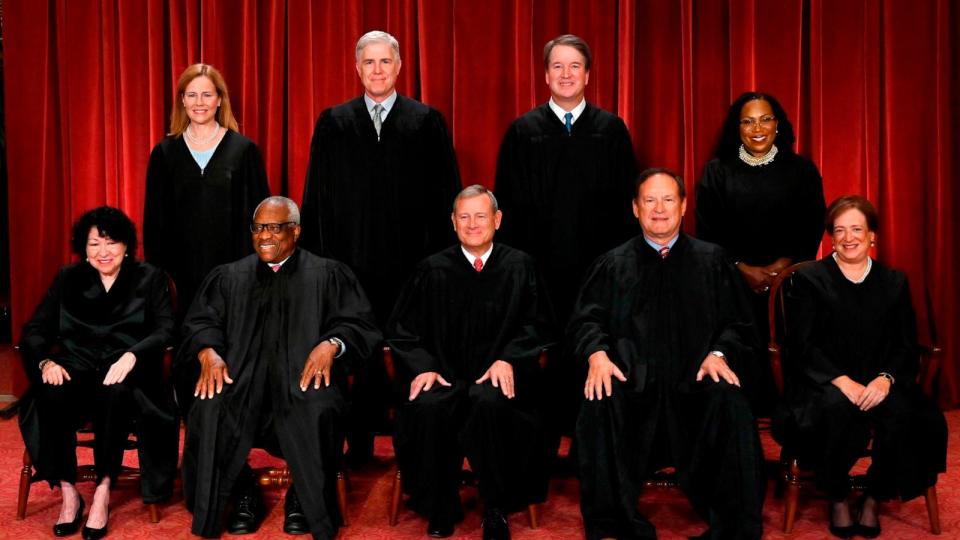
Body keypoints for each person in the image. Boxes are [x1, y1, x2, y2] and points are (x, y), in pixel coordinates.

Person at [572, 168, 765, 540]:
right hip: (632, 385)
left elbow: (739, 325)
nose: (659, 209)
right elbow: (585, 321)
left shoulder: (713, 261)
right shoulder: (613, 264)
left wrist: (720, 354)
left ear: (683, 205)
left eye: (668, 199)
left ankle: (733, 526)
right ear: (635, 208)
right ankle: (612, 522)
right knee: (599, 399)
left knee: (731, 402)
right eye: (649, 200)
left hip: (695, 384)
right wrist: (597, 354)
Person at [300, 30, 462, 466]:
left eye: (384, 62)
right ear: (357, 68)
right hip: (349, 264)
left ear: (398, 67)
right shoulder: (334, 121)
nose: (376, 70)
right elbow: (316, 197)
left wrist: (441, 264)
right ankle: (359, 445)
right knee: (356, 351)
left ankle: (413, 451)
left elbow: (447, 195)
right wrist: (320, 264)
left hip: (412, 264)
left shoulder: (425, 121)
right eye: (368, 63)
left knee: (411, 352)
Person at [178, 196, 381, 539]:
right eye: (258, 228)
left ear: (296, 231)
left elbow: (360, 325)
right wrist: (208, 351)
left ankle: (304, 497)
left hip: (302, 385)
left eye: (274, 228)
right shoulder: (230, 277)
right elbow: (199, 322)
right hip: (242, 385)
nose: (264, 236)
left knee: (320, 407)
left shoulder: (327, 274)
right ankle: (243, 491)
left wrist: (331, 344)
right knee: (208, 407)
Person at [387, 185, 555, 539]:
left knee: (490, 402)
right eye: (464, 217)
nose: (473, 224)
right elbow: (402, 331)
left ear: (497, 219)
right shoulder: (431, 270)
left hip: (499, 380)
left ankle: (496, 507)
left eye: (481, 216)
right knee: (429, 407)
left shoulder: (520, 266)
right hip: (445, 377)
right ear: (453, 222)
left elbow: (538, 326)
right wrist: (424, 368)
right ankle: (439, 506)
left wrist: (510, 359)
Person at [776, 195, 947, 539]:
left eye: (857, 229)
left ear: (872, 236)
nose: (848, 237)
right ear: (830, 237)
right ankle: (837, 495)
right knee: (834, 411)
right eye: (839, 230)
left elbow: (904, 344)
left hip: (880, 378)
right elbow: (801, 345)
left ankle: (874, 495)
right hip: (824, 381)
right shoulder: (810, 279)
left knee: (907, 414)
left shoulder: (894, 281)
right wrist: (841, 381)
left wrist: (885, 380)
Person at [494, 34, 638, 439]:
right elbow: (506, 206)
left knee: (594, 342)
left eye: (575, 66)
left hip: (598, 267)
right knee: (544, 348)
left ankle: (591, 437)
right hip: (539, 267)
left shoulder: (611, 131)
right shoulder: (523, 132)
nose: (566, 74)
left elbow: (629, 206)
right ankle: (541, 439)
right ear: (545, 75)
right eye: (557, 66)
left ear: (588, 74)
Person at [18, 207, 178, 540]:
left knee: (116, 391)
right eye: (94, 244)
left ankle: (104, 489)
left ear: (127, 246)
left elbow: (166, 329)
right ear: (83, 248)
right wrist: (46, 363)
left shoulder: (149, 277)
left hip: (127, 370)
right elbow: (35, 329)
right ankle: (68, 492)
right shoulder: (68, 278)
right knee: (50, 392)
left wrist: (134, 355)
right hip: (76, 366)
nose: (103, 252)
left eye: (110, 243)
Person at [695, 91, 825, 412]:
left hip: (791, 283)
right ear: (737, 127)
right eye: (748, 120)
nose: (758, 127)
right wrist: (741, 268)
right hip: (731, 280)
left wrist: (783, 267)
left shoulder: (802, 171)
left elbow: (811, 225)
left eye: (765, 119)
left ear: (777, 125)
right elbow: (708, 231)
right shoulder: (717, 171)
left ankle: (792, 410)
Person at [144, 63, 270, 319]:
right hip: (182, 278)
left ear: (220, 99)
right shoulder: (165, 153)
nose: (199, 102)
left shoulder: (243, 150)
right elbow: (154, 222)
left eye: (207, 94)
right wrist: (162, 280)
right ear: (182, 100)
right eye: (191, 95)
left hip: (235, 276)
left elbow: (262, 217)